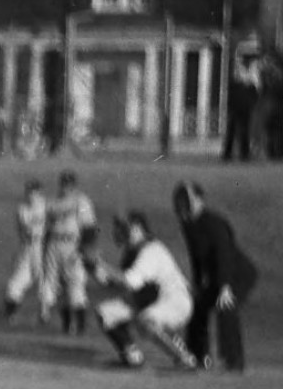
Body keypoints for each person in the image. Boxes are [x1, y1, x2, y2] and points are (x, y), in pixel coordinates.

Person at [88, 211, 198, 369]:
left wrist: (101, 264)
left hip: (175, 301)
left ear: (138, 229)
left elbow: (130, 281)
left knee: (147, 321)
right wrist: (92, 268)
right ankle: (132, 356)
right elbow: (115, 285)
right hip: (149, 301)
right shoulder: (131, 253)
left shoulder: (152, 251)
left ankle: (185, 358)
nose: (120, 231)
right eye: (120, 227)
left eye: (125, 228)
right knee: (106, 313)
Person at [171, 181, 258, 372]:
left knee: (226, 307)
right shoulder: (188, 226)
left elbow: (224, 254)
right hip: (217, 276)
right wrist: (196, 284)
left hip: (237, 274)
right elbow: (195, 256)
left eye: (188, 201)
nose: (184, 206)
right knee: (198, 306)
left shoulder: (214, 223)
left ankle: (233, 361)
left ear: (199, 201)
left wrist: (225, 287)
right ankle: (197, 355)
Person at [43, 169, 98, 336]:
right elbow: (47, 228)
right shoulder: (53, 202)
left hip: (73, 245)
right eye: (64, 183)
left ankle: (81, 327)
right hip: (54, 245)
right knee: (58, 288)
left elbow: (89, 228)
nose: (66, 186)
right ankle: (66, 326)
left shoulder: (81, 202)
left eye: (69, 183)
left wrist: (83, 250)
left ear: (74, 185)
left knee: (76, 285)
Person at [0, 178, 50, 324]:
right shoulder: (22, 209)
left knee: (44, 283)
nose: (30, 194)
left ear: (40, 192)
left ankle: (44, 315)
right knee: (16, 282)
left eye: (34, 191)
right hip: (28, 248)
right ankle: (8, 313)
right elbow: (21, 231)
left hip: (43, 247)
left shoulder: (47, 206)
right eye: (28, 190)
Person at [222, 43, 260, 162]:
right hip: (237, 102)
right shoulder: (238, 67)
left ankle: (244, 153)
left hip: (246, 103)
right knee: (232, 128)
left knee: (245, 128)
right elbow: (240, 81)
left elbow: (254, 85)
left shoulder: (253, 68)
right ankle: (228, 153)